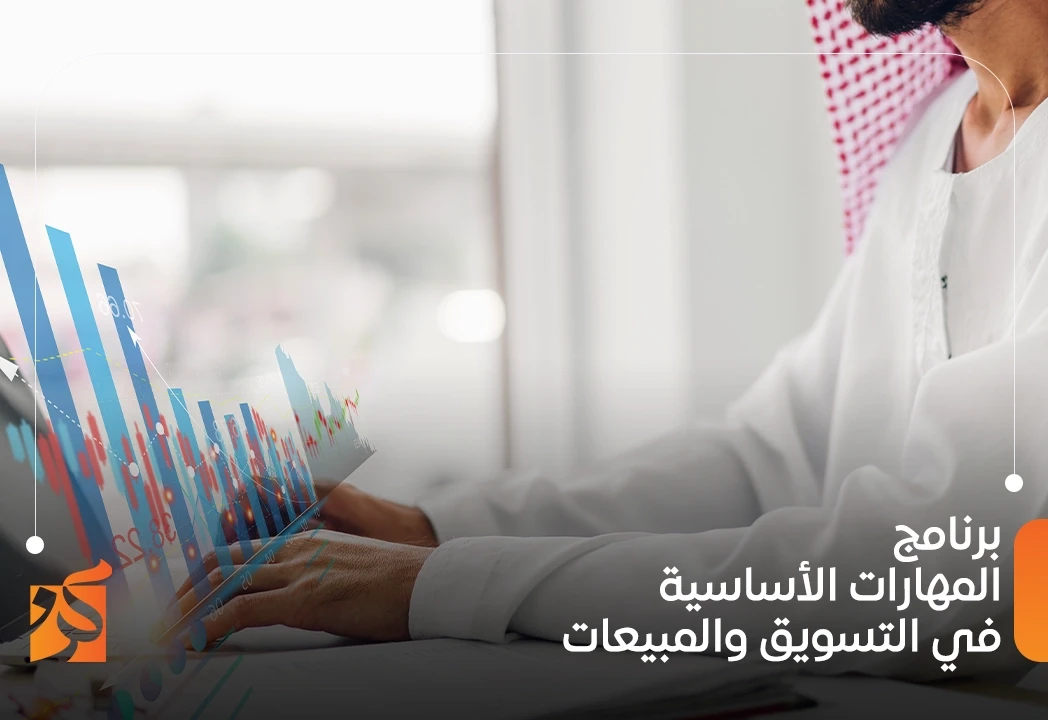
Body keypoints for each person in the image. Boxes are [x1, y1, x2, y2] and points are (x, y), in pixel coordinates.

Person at [174, 0, 1048, 679]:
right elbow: (766, 461)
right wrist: (431, 531)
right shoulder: (938, 137)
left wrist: (444, 588)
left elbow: (953, 579)